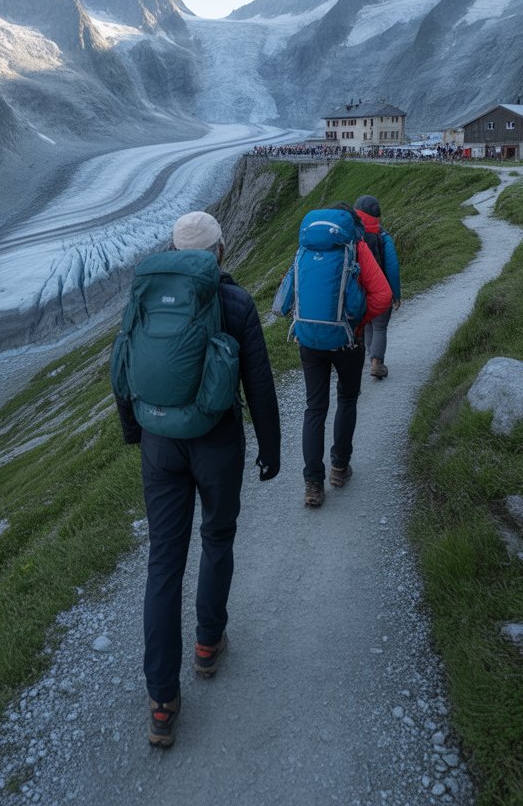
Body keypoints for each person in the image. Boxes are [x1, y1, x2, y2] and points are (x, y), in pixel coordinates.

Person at [114, 211, 281, 749]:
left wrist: (133, 430)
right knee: (217, 537)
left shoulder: (146, 294)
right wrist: (271, 449)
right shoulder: (234, 301)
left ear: (176, 249)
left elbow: (124, 365)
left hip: (160, 442)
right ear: (221, 252)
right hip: (216, 442)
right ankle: (208, 644)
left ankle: (162, 702)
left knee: (164, 561)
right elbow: (258, 381)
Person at [277, 203, 391, 508]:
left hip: (309, 341)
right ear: (351, 227)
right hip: (347, 342)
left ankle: (313, 485)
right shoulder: (356, 248)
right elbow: (383, 295)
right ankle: (339, 469)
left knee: (314, 408)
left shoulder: (305, 248)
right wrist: (357, 325)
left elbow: (285, 298)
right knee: (347, 399)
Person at [353, 195, 401, 379]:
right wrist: (395, 294)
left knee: (366, 326)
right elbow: (392, 267)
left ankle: (369, 358)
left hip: (359, 293)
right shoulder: (383, 236)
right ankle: (376, 363)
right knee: (380, 327)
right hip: (380, 292)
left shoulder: (352, 237)